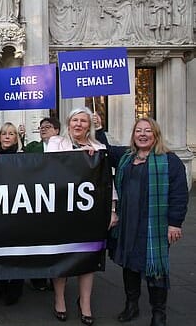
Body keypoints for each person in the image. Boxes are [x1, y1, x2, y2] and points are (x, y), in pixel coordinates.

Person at [96, 117, 188, 326]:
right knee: (130, 265)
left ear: (155, 135)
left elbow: (179, 194)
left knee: (155, 269)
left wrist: (175, 223)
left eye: (148, 131)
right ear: (134, 135)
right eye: (139, 131)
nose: (143, 134)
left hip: (153, 225)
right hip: (128, 222)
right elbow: (106, 151)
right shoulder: (126, 157)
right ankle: (132, 305)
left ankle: (159, 313)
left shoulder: (169, 161)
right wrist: (99, 128)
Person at [46, 107, 117, 325]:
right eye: (75, 120)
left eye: (83, 121)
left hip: (90, 210)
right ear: (68, 123)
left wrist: (113, 209)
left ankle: (84, 302)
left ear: (90, 125)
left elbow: (108, 180)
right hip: (61, 208)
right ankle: (60, 299)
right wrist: (81, 156)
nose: (78, 124)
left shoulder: (99, 147)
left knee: (89, 254)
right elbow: (50, 167)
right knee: (62, 253)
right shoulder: (56, 143)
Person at [0, 122, 25, 306]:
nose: (7, 136)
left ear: (16, 138)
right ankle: (0, 286)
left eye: (11, 134)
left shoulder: (23, 158)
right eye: (4, 134)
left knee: (16, 251)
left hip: (17, 211)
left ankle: (16, 288)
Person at [22, 117, 61, 292]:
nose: (43, 129)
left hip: (57, 200)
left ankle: (56, 277)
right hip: (35, 200)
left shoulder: (65, 147)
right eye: (41, 127)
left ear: (57, 130)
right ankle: (38, 278)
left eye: (48, 127)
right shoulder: (32, 148)